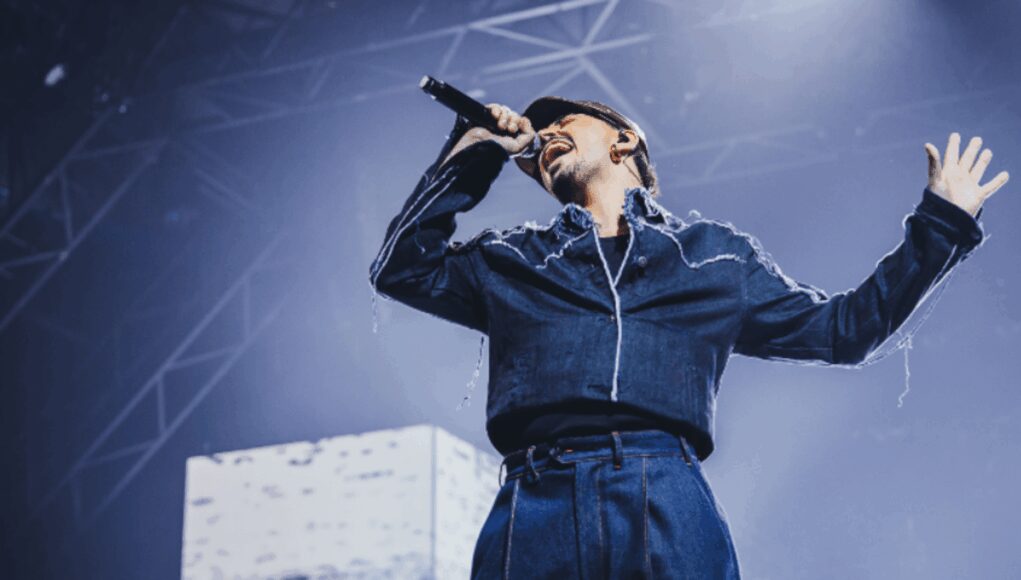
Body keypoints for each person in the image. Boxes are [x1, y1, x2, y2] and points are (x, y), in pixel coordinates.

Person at [368, 97, 1007, 578]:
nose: (547, 136)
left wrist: (942, 222)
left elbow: (847, 330)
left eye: (567, 121)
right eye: (539, 142)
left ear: (624, 141)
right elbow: (401, 268)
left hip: (664, 495)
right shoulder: (514, 259)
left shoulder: (712, 258)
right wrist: (475, 149)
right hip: (533, 502)